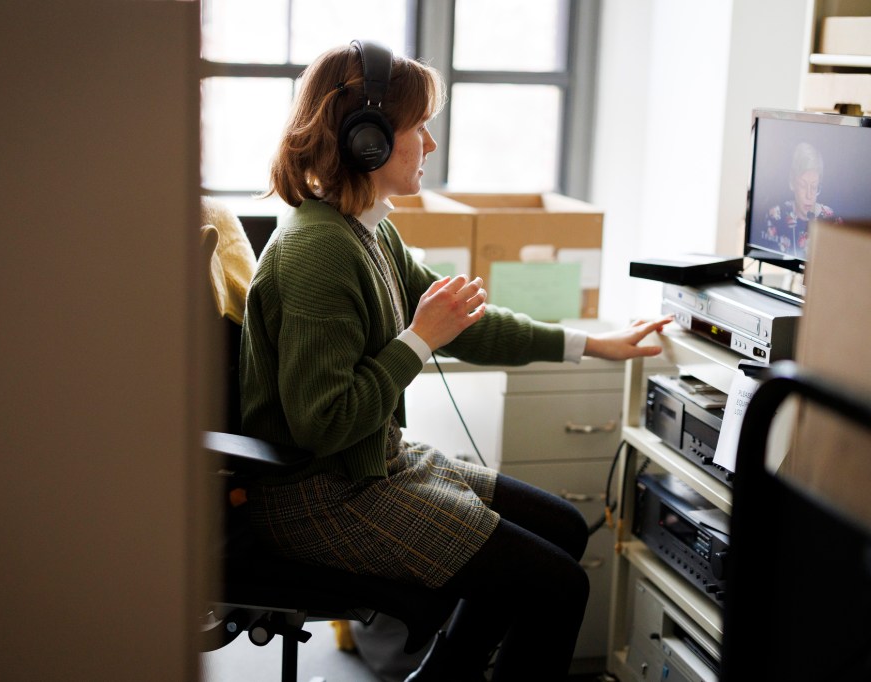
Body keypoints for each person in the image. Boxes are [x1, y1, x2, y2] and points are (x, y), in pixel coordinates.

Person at [239, 40, 672, 682]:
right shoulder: (317, 252)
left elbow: (463, 323)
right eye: (421, 129)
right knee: (558, 586)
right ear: (369, 140)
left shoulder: (369, 227)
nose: (431, 147)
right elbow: (321, 424)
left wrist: (591, 345)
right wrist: (416, 341)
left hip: (371, 467)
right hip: (323, 495)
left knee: (563, 530)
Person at [761, 141, 843, 260]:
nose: (809, 195)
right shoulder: (774, 216)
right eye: (803, 186)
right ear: (792, 183)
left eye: (814, 187)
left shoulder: (833, 221)